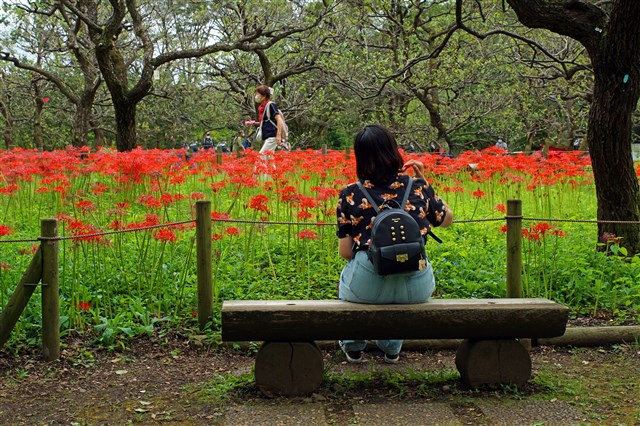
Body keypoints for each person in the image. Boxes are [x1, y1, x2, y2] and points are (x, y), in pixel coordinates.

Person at [336, 125, 453, 364]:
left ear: (360, 156)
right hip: (416, 286)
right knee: (400, 278)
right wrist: (424, 182)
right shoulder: (418, 186)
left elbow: (345, 252)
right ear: (393, 151)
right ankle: (390, 348)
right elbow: (446, 220)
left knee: (347, 277)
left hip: (366, 285)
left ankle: (354, 346)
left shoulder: (350, 193)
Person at [254, 85, 284, 154]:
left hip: (272, 137)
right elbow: (267, 122)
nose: (256, 96)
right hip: (267, 137)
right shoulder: (263, 107)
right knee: (270, 160)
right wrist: (255, 123)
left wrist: (278, 135)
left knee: (261, 157)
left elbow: (279, 120)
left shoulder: (270, 105)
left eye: (258, 94)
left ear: (264, 96)